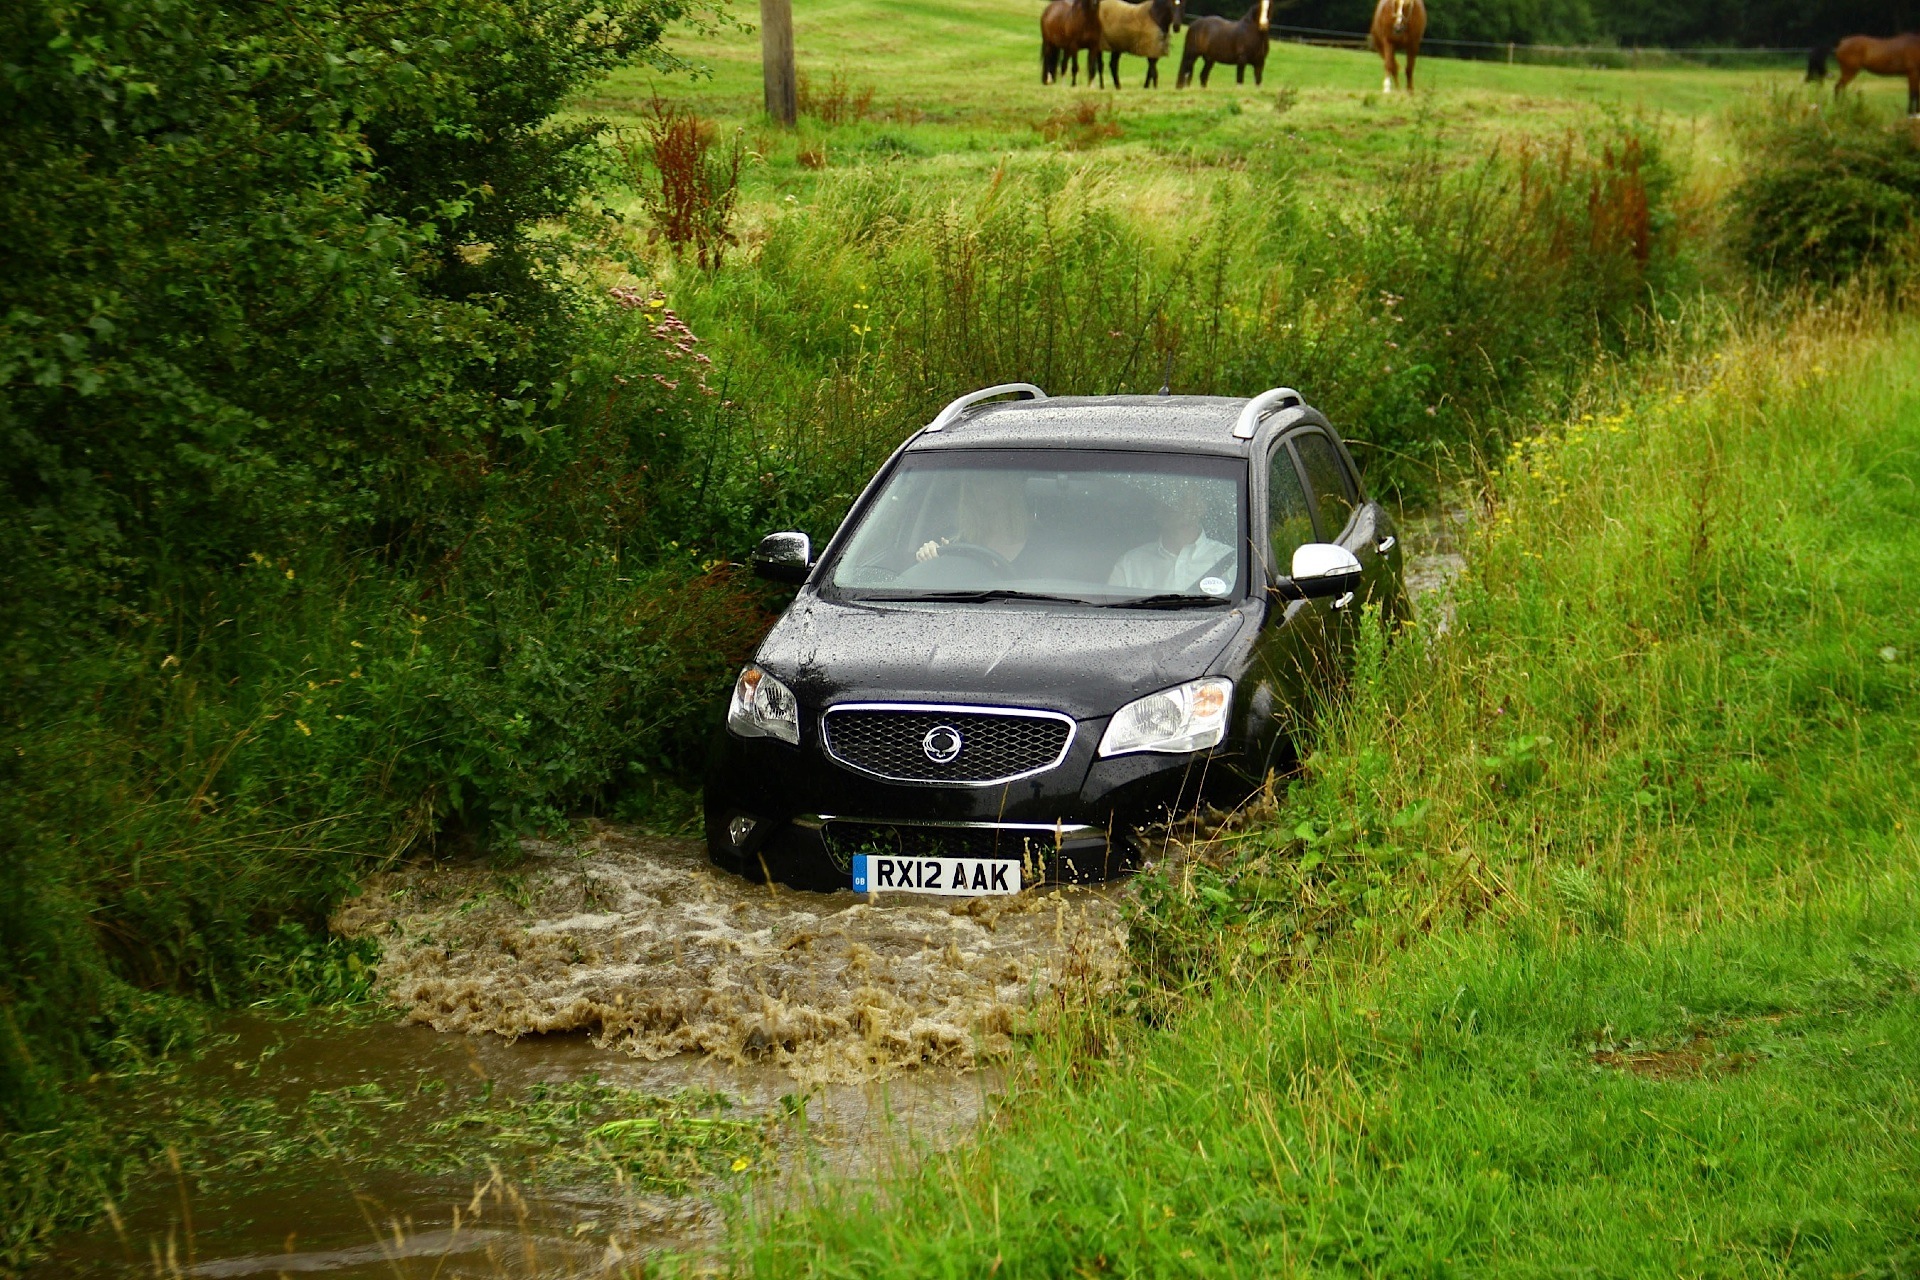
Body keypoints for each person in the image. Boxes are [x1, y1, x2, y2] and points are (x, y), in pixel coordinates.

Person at [1109, 481, 1233, 593]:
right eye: (1165, 495)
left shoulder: (1230, 561)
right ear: (1156, 509)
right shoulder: (1129, 565)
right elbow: (1110, 608)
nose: (1171, 502)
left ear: (1201, 506)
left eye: (1181, 495)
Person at [916, 472, 1032, 565]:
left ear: (1009, 486)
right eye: (979, 482)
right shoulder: (957, 545)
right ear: (970, 492)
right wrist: (929, 554)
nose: (987, 489)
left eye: (993, 480)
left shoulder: (1038, 542)